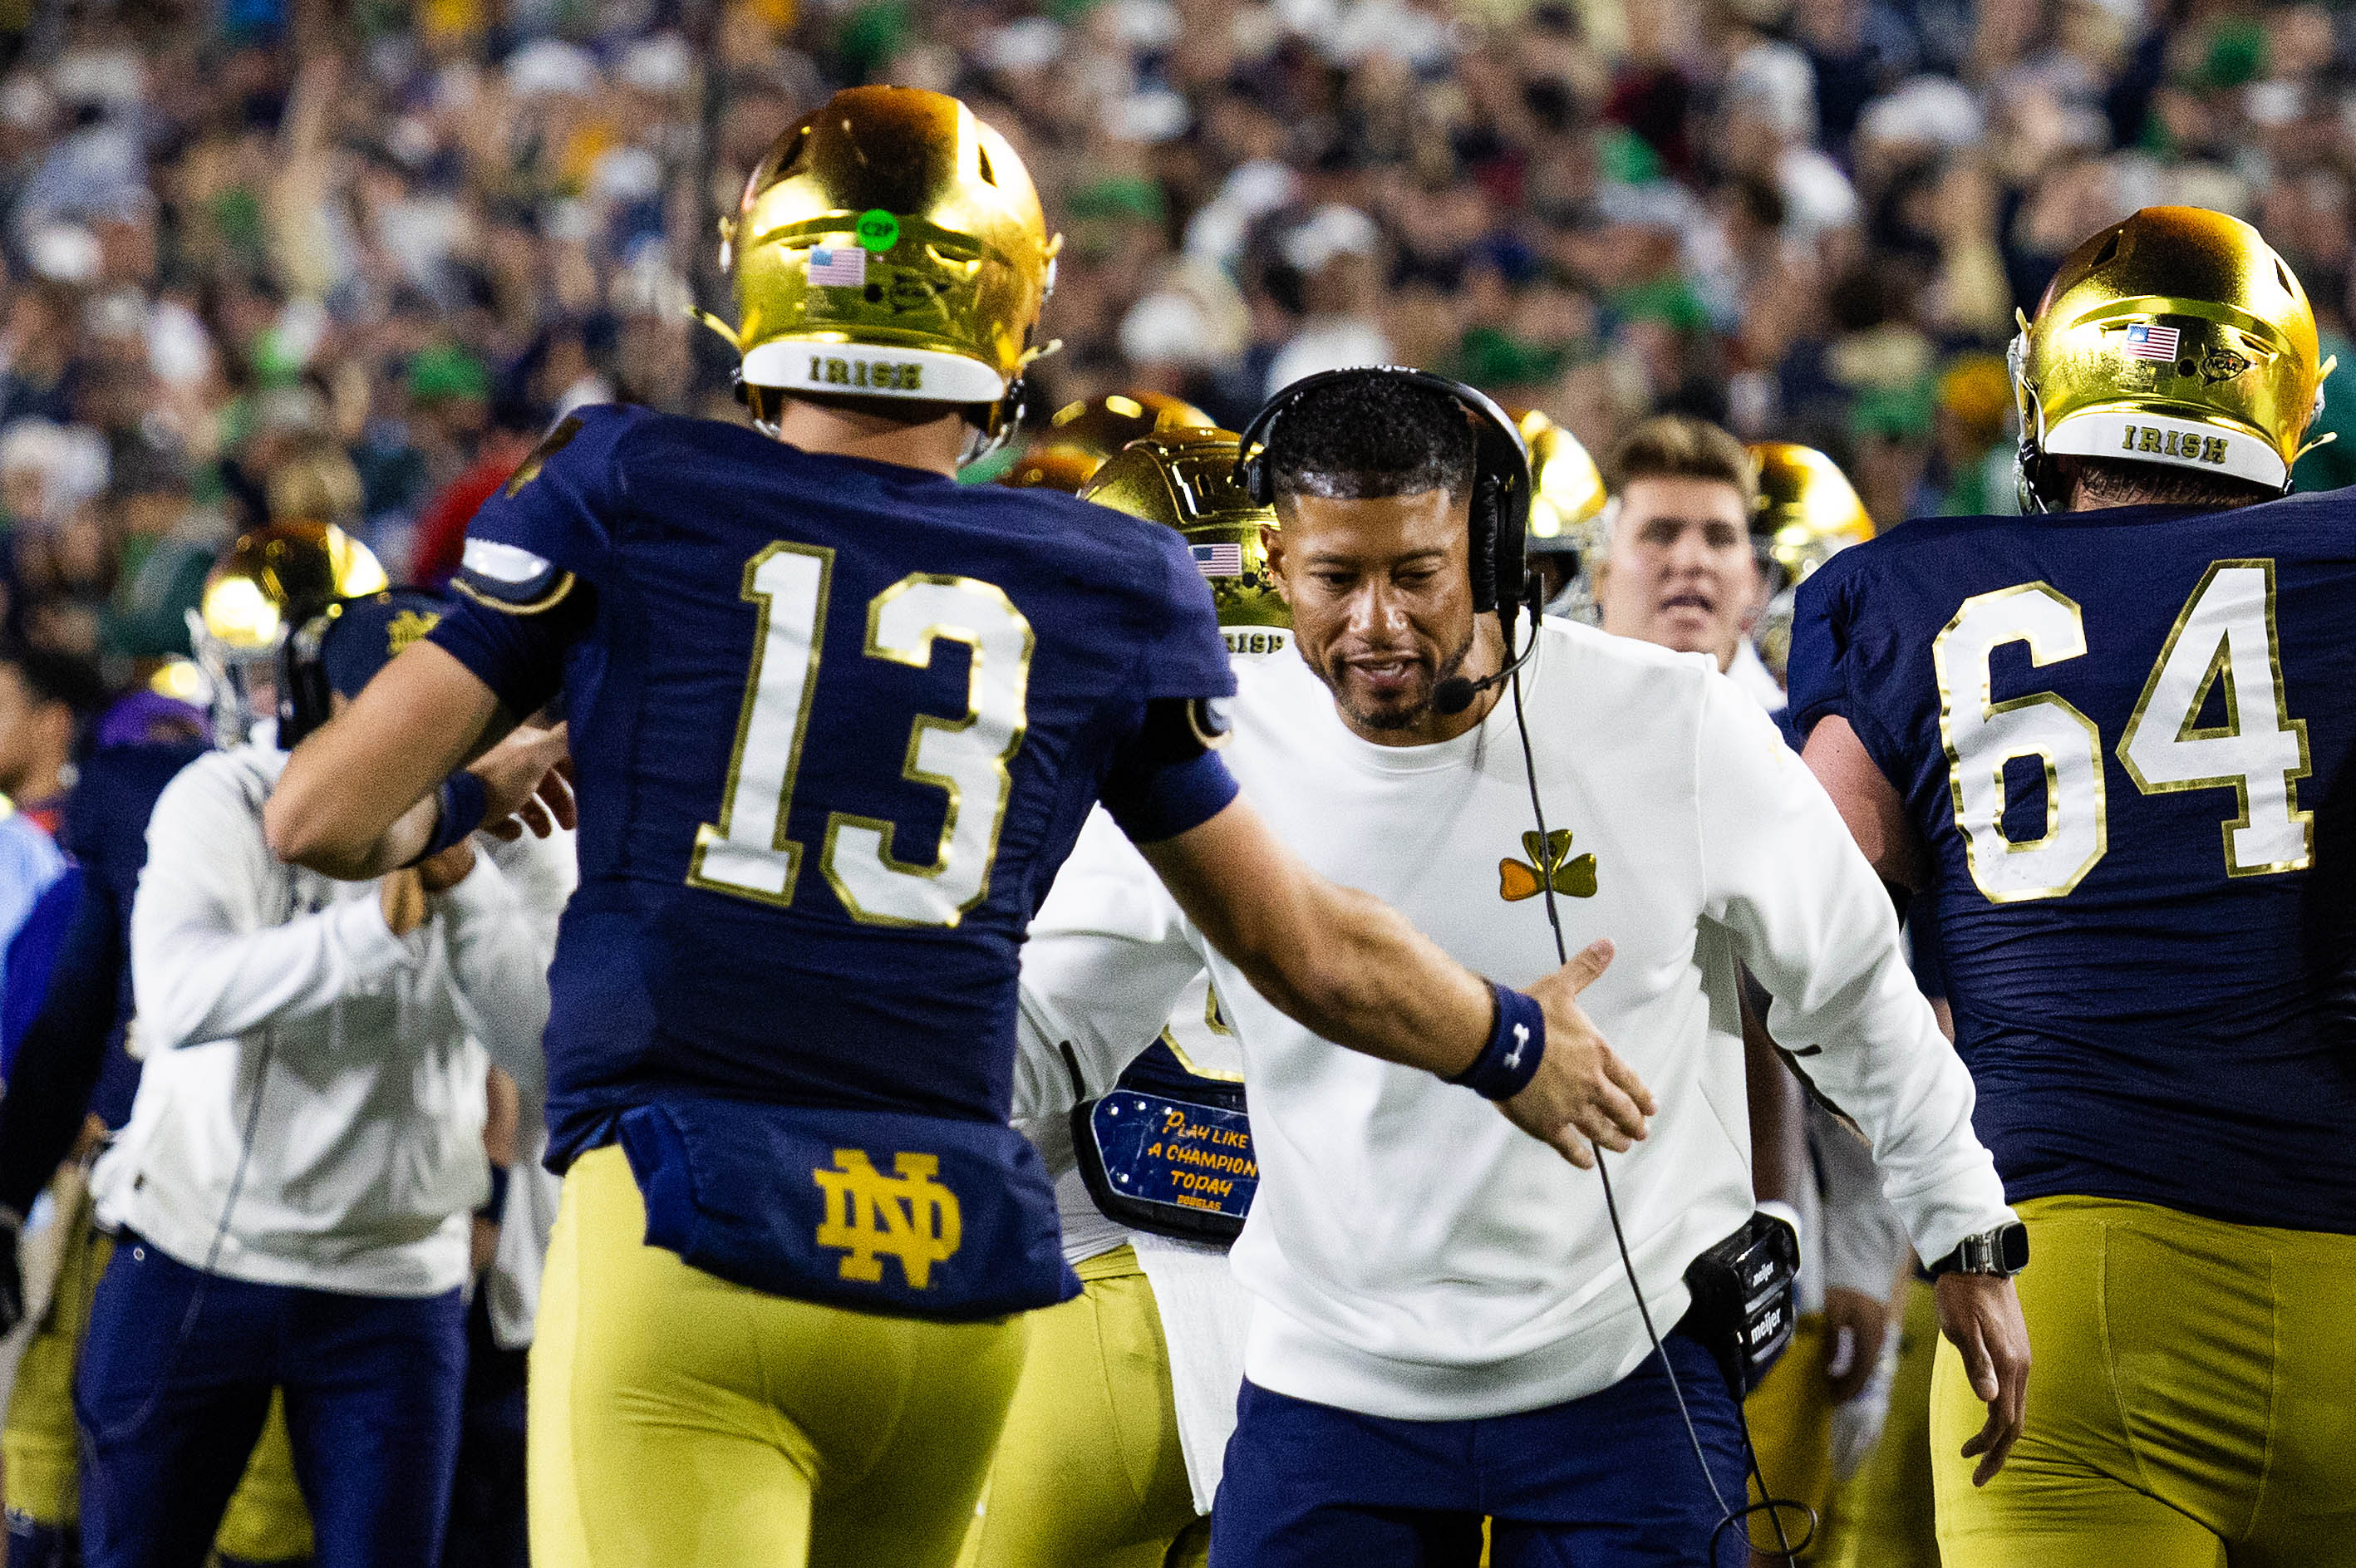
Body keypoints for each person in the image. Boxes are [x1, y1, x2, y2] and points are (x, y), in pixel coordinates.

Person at [259, 88, 1627, 1568]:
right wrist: (1510, 1042)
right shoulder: (1107, 575)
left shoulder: (629, 486)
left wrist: (482, 781)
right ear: (1005, 323)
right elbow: (1302, 944)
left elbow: (321, 814)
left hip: (690, 1221)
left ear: (766, 292)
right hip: (957, 1270)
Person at [1012, 366, 2029, 1568]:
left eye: (1416, 575)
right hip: (1328, 1377)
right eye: (1335, 579)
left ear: (1493, 553)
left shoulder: (1664, 722)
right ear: (1273, 564)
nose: (1375, 624)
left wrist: (1961, 1226)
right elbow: (1049, 1025)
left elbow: (1849, 983)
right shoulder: (1215, 754)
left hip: (1617, 1365)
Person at [1789, 205, 2356, 1568]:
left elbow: (1799, 934)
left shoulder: (1907, 587)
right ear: (2286, 393)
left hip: (2070, 1281)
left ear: (2051, 383)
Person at [73, 587, 570, 1568]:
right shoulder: (228, 797)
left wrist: (459, 876)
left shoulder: (520, 835)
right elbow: (175, 1002)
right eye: (382, 717)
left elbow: (547, 1053)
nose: (412, 746)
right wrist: (370, 930)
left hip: (392, 1280)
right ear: (317, 715)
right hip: (196, 1249)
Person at [968, 425, 1294, 1568]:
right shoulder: (1377, 747)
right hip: (1312, 1344)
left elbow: (1020, 1035)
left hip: (1084, 1296)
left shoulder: (1087, 741)